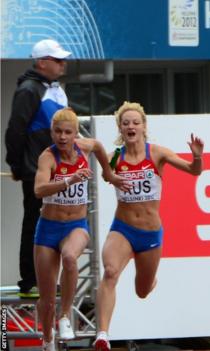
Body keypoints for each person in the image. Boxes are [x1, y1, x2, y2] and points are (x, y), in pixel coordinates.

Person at [94, 102, 204, 351]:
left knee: (142, 291)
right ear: (120, 129)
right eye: (125, 123)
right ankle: (103, 334)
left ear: (144, 126)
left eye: (135, 122)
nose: (131, 126)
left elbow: (193, 170)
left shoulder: (157, 153)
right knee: (110, 272)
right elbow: (106, 175)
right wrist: (110, 175)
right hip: (122, 228)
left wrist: (197, 157)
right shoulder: (115, 156)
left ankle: (149, 280)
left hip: (150, 234)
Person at [33, 108, 128, 351]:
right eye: (57, 132)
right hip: (48, 229)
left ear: (75, 134)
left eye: (67, 132)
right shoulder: (48, 157)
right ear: (52, 133)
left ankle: (65, 316)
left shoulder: (84, 148)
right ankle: (47, 340)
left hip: (76, 225)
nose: (62, 137)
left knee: (70, 258)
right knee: (45, 300)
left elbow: (97, 145)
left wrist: (109, 174)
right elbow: (39, 189)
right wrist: (69, 180)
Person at [5, 39, 71, 297]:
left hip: (60, 170)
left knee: (54, 225)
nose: (62, 64)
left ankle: (47, 279)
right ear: (42, 62)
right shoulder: (30, 90)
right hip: (37, 170)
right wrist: (17, 165)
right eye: (57, 60)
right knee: (35, 224)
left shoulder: (56, 89)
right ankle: (30, 282)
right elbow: (15, 130)